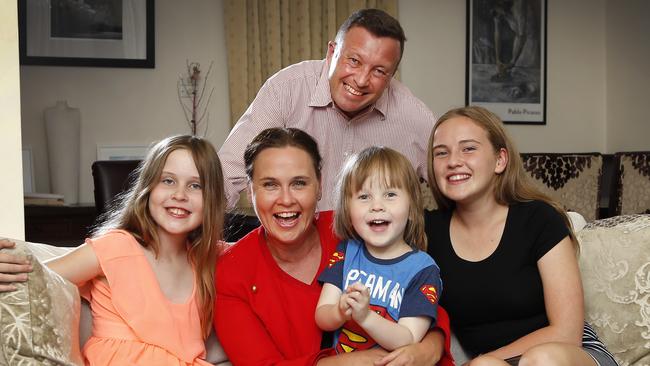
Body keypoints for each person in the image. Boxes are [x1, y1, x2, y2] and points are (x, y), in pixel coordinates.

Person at [214, 127, 453, 366]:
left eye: (299, 183)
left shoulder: (353, 228)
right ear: (250, 190)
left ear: (319, 186)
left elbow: (418, 295)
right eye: (270, 185)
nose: (286, 199)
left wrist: (429, 347)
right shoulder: (231, 271)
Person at [2, 135, 227, 365]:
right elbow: (37, 276)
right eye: (168, 181)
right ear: (147, 188)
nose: (180, 195)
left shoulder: (208, 260)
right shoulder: (117, 247)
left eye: (195, 185)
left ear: (212, 199)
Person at [424, 106, 617, 365]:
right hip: (493, 363)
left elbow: (567, 333)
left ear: (500, 160)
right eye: (441, 153)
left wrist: (482, 361)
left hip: (566, 354)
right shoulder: (427, 231)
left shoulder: (539, 218)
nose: (453, 161)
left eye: (468, 148)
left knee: (540, 359)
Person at [219, 8, 436, 211]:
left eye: (379, 71)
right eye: (354, 61)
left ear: (392, 75)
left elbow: (454, 181)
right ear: (332, 52)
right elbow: (226, 176)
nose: (361, 80)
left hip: (381, 249)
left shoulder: (414, 117)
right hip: (295, 244)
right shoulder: (285, 90)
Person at [315, 146, 446, 355]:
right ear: (348, 210)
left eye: (390, 194)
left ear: (412, 208)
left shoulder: (423, 269)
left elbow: (408, 338)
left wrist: (366, 317)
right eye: (364, 197)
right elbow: (322, 316)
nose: (377, 206)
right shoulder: (347, 252)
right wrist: (340, 311)